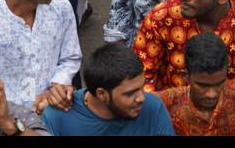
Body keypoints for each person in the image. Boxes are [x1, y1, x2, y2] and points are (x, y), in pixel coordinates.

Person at [42, 41, 176, 135]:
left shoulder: (153, 107)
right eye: (130, 93)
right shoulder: (58, 117)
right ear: (101, 94)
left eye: (141, 87)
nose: (142, 98)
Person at [159, 32, 235, 135]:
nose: (211, 94)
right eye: (202, 85)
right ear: (186, 76)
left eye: (219, 84)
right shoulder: (164, 105)